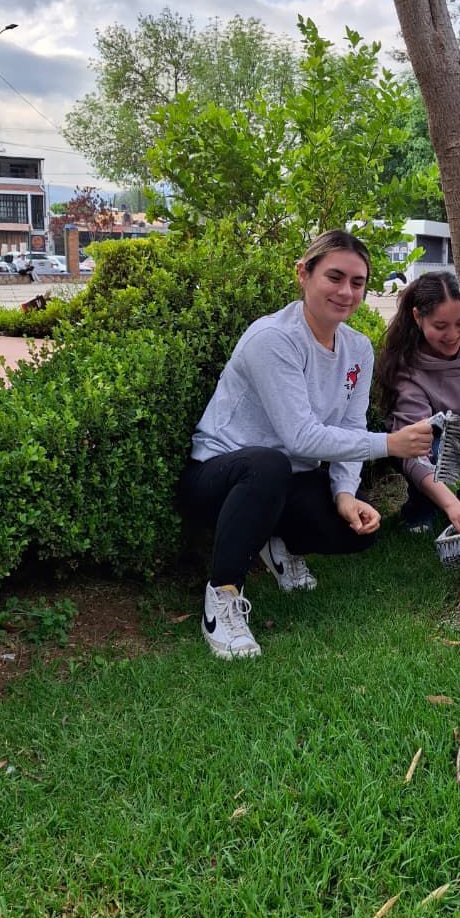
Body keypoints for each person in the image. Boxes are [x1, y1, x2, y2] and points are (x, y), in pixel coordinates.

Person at [178, 229, 434, 660]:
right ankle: (222, 599)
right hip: (219, 476)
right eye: (334, 277)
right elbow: (300, 436)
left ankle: (277, 542)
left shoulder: (357, 348)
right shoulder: (273, 339)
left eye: (357, 282)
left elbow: (351, 427)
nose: (346, 291)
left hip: (287, 478)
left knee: (354, 533)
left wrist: (345, 493)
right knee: (268, 466)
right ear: (303, 273)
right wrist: (390, 444)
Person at [376, 270, 460, 535]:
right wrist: (450, 505)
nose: (453, 335)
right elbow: (413, 450)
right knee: (430, 439)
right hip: (427, 444)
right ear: (418, 317)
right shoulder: (406, 369)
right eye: (440, 326)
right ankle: (421, 508)